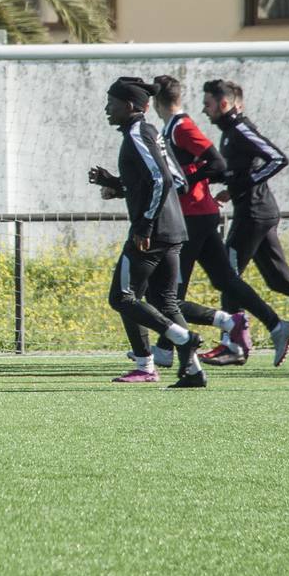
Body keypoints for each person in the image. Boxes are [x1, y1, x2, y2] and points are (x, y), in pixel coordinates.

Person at [203, 79, 289, 365]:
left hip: (254, 213)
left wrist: (241, 185)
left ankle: (235, 344)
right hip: (255, 212)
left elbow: (277, 158)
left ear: (224, 104)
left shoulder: (239, 128)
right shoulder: (229, 131)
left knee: (227, 276)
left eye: (208, 104)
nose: (205, 110)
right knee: (279, 279)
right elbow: (241, 170)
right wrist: (226, 183)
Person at [88, 77, 205, 389]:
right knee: (164, 302)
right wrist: (116, 184)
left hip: (152, 234)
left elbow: (160, 181)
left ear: (128, 106)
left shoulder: (139, 132)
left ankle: (174, 345)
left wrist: (144, 225)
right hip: (173, 229)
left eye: (111, 104)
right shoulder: (148, 132)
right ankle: (192, 372)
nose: (106, 109)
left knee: (123, 297)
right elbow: (169, 180)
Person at [147, 75, 254, 368]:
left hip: (195, 216)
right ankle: (170, 347)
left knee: (161, 293)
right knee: (219, 281)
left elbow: (217, 163)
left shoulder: (182, 126)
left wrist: (184, 180)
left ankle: (179, 345)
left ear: (156, 103)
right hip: (194, 215)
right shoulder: (169, 127)